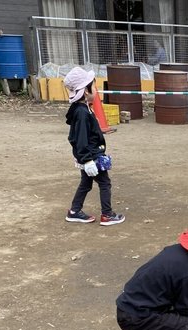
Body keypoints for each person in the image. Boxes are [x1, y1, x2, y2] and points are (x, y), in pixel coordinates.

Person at [63, 67, 125, 226]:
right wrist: (88, 160)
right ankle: (107, 215)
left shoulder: (82, 109)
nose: (96, 90)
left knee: (86, 183)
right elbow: (80, 138)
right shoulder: (82, 113)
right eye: (94, 86)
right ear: (85, 91)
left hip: (90, 154)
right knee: (105, 183)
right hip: (91, 155)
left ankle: (74, 211)